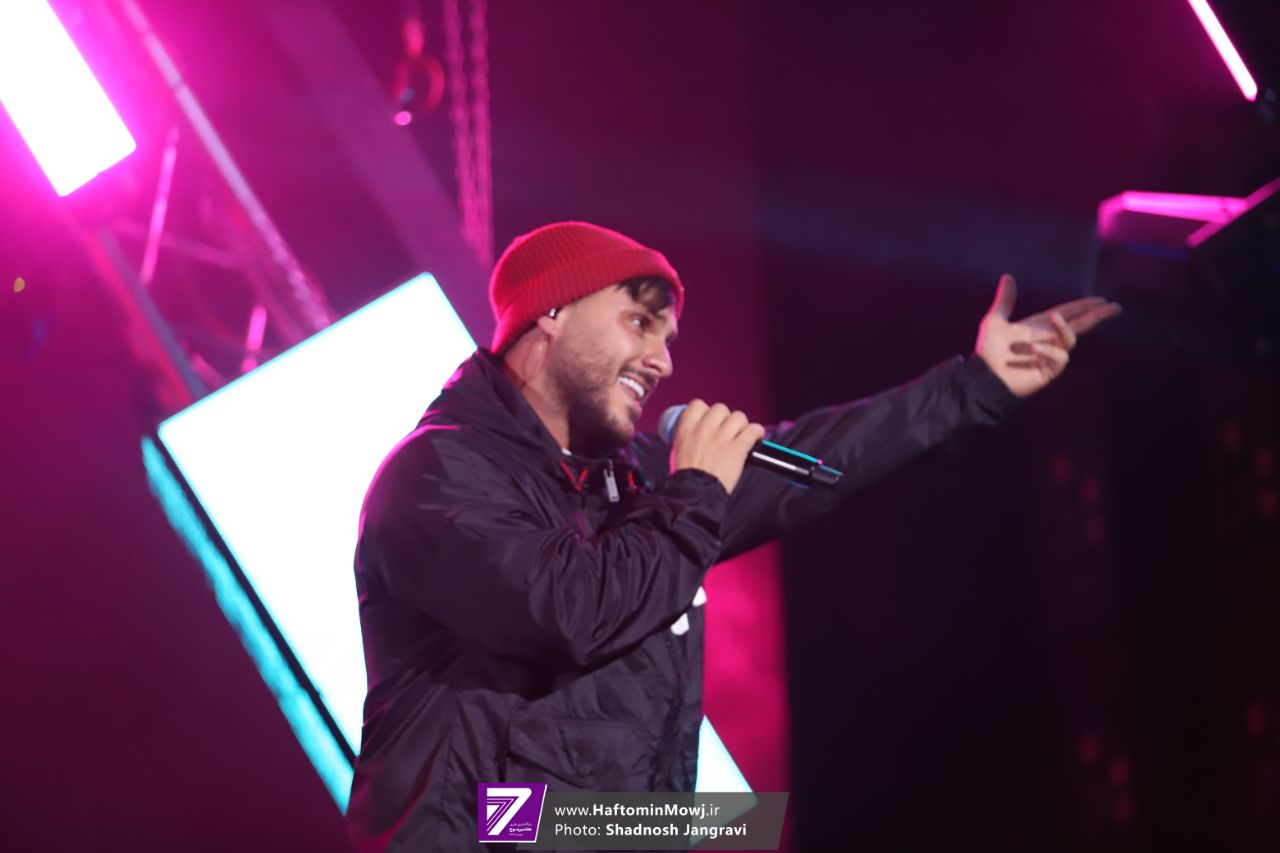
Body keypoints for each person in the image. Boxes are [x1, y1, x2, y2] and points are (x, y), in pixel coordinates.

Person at [344, 221, 1121, 851]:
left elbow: (821, 457)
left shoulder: (636, 484)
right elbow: (573, 610)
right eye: (640, 322)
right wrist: (697, 489)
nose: (662, 359)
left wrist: (973, 388)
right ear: (552, 311)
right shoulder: (437, 475)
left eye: (669, 336)